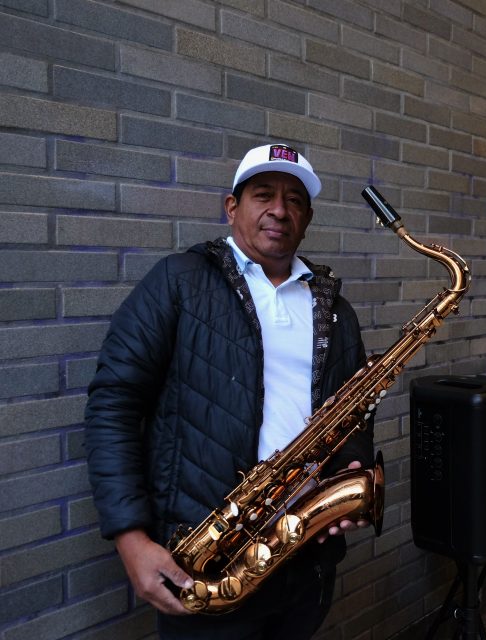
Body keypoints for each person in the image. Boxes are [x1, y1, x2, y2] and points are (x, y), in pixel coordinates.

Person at [85, 143, 374, 639]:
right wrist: (130, 537)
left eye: (294, 200)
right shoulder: (180, 281)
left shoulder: (335, 310)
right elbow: (113, 402)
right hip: (205, 560)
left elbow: (352, 416)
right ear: (231, 207)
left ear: (307, 218)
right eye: (263, 194)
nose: (279, 210)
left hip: (304, 560)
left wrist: (346, 480)